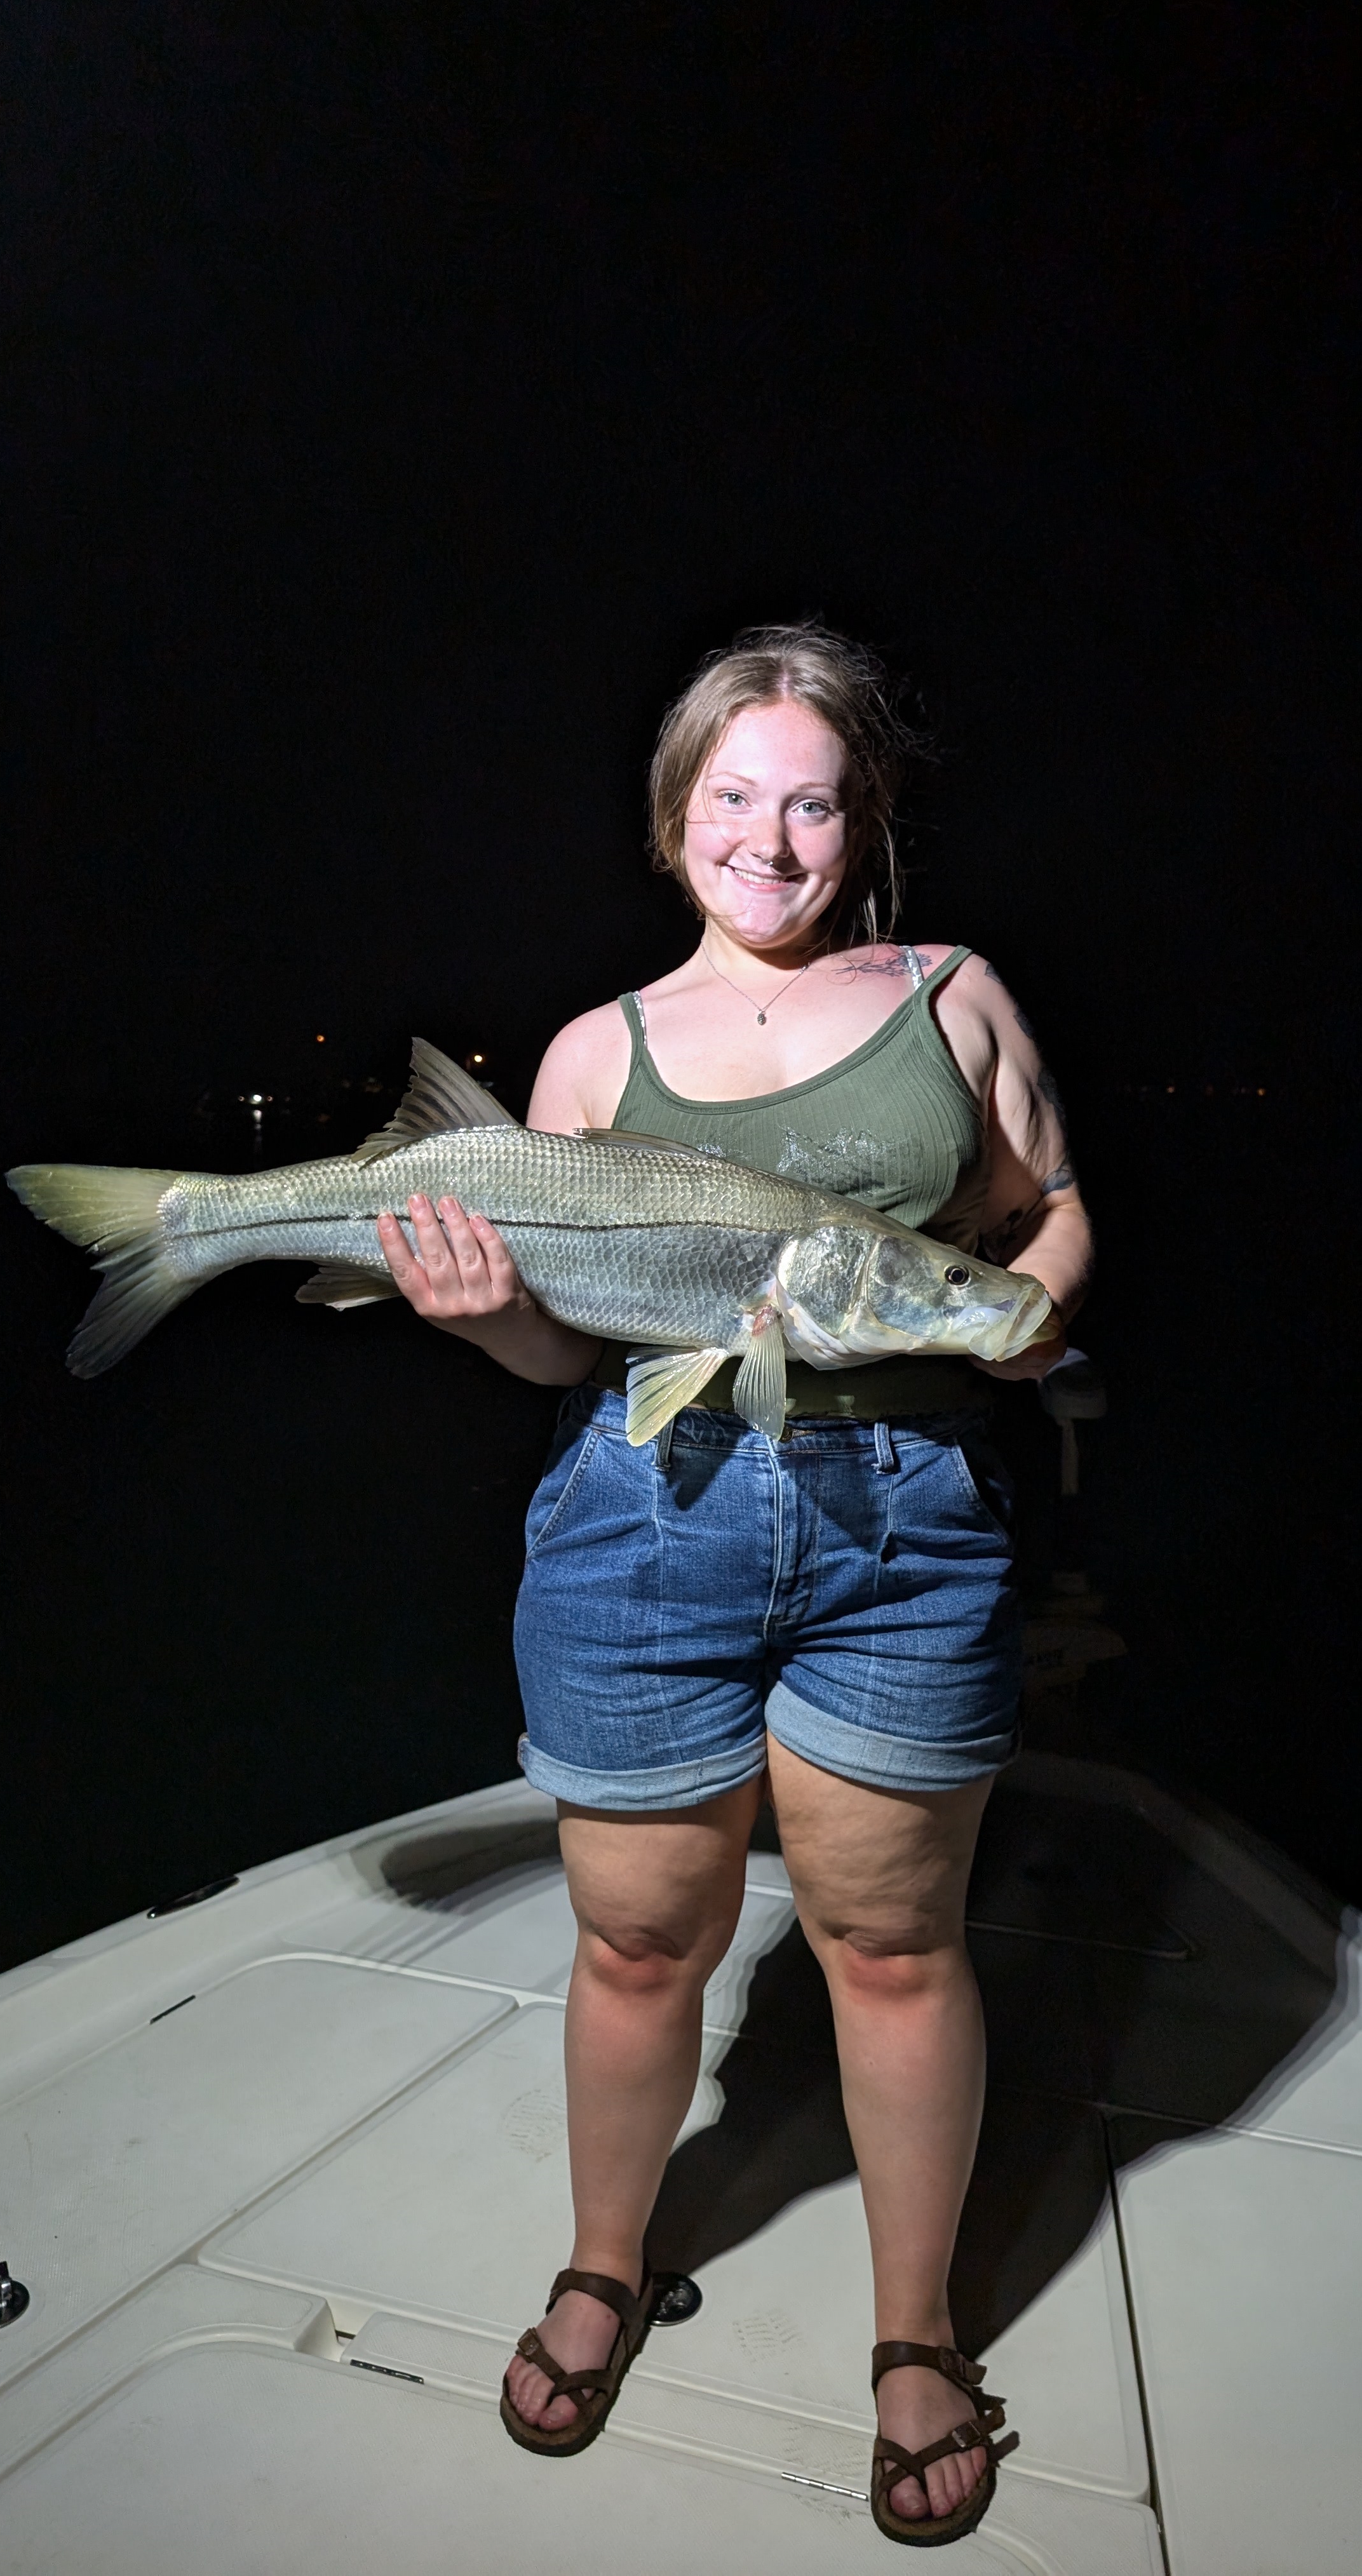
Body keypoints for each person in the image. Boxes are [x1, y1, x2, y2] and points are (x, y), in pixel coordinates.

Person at [373, 626, 1093, 2546]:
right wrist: (481, 1322)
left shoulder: (953, 994)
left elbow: (1048, 1212)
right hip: (645, 1519)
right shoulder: (593, 1053)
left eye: (811, 798)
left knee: (887, 1946)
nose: (767, 839)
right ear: (672, 814)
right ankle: (607, 2265)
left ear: (859, 824)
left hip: (903, 1517)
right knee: (635, 1944)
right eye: (728, 798)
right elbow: (561, 1356)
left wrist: (1027, 1327)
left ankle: (918, 2335)